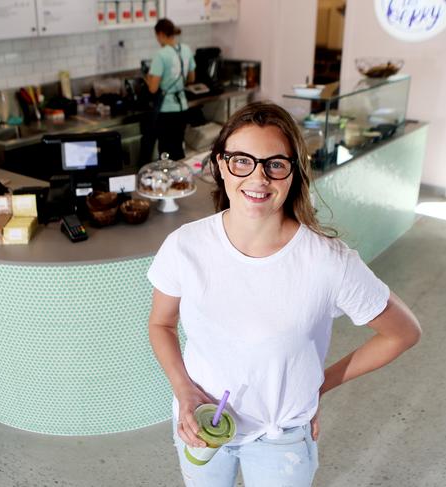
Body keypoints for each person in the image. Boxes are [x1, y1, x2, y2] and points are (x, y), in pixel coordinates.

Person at [147, 101, 421, 486]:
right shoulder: (184, 246)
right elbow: (161, 323)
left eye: (275, 164)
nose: (258, 178)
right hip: (201, 421)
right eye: (242, 160)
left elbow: (403, 332)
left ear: (294, 172)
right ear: (220, 165)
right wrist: (184, 390)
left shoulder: (328, 261)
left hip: (281, 437)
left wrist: (320, 385)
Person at [141, 18, 195, 163]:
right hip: (183, 107)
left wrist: (147, 78)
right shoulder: (186, 49)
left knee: (166, 152)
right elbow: (191, 78)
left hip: (166, 111)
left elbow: (153, 88)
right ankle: (181, 182)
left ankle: (169, 183)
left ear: (160, 34)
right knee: (178, 149)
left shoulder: (161, 54)